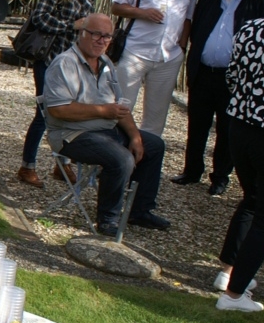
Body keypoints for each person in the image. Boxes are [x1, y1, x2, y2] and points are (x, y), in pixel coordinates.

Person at [44, 13, 170, 236]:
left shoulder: (106, 64)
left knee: (153, 145)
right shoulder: (64, 63)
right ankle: (108, 219)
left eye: (107, 36)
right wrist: (103, 111)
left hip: (106, 130)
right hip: (71, 134)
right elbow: (59, 110)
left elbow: (119, 108)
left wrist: (135, 136)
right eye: (96, 35)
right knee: (121, 158)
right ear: (82, 33)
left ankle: (139, 211)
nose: (102, 41)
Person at [213, 0, 264, 312]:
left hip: (240, 127)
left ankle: (229, 272)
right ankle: (234, 294)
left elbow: (232, 77)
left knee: (253, 201)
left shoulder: (252, 28)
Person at [172, 0, 264, 196]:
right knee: (197, 125)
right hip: (203, 74)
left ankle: (220, 177)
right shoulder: (208, 0)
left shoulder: (258, 4)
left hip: (234, 80)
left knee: (227, 130)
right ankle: (191, 171)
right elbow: (196, 31)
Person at [17, 0, 108, 188]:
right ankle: (27, 166)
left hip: (74, 64)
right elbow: (40, 17)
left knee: (71, 114)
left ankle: (62, 163)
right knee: (44, 115)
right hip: (50, 60)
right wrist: (72, 25)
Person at [111, 0, 199, 136]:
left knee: (157, 115)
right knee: (121, 107)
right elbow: (116, 6)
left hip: (168, 57)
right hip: (135, 51)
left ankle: (148, 153)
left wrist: (182, 47)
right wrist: (143, 13)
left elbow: (188, 17)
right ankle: (115, 149)